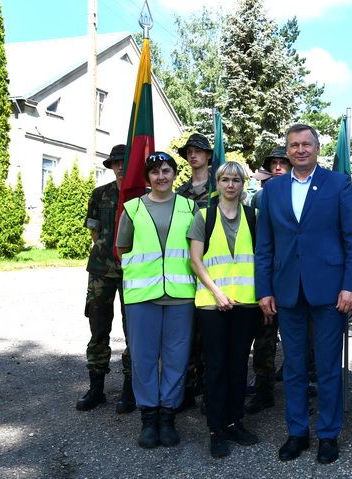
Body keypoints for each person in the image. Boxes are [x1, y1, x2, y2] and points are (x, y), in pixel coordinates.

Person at [255, 124, 352, 464]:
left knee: (329, 367)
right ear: (287, 151)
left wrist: (351, 286)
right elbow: (264, 247)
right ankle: (298, 432)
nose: (300, 150)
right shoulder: (272, 191)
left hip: (330, 291)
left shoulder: (337, 183)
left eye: (306, 144)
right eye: (293, 145)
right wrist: (264, 290)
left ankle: (329, 434)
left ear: (318, 148)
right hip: (287, 290)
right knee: (294, 367)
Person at [116, 152, 197, 449]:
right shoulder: (133, 208)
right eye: (155, 172)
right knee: (144, 359)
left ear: (175, 173)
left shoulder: (190, 207)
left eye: (166, 170)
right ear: (147, 177)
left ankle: (168, 417)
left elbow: (197, 250)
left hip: (180, 296)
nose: (161, 176)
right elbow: (122, 248)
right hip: (142, 297)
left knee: (176, 360)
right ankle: (149, 418)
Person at [188, 161, 263, 458]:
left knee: (238, 365)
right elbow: (196, 260)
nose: (230, 184)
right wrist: (217, 292)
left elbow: (260, 258)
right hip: (212, 304)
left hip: (246, 304)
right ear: (217, 184)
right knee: (216, 367)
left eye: (236, 180)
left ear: (243, 184)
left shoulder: (253, 216)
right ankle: (216, 429)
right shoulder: (203, 217)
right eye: (225, 179)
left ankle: (235, 422)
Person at [76, 144, 134, 414]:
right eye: (115, 163)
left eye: (124, 161)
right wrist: (107, 254)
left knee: (133, 330)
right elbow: (94, 230)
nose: (120, 166)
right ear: (110, 166)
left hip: (133, 271)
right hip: (101, 271)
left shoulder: (140, 195)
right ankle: (96, 388)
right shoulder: (99, 195)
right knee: (98, 329)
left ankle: (129, 389)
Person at [245, 146, 292, 415]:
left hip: (291, 277)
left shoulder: (301, 194)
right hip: (265, 274)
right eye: (274, 163)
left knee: (296, 337)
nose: (277, 167)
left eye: (282, 163)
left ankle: (301, 383)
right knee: (264, 337)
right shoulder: (259, 198)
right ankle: (263, 389)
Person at [176, 133, 213, 410]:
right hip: (189, 268)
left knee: (209, 333)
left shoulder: (221, 186)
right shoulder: (181, 193)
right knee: (189, 332)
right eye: (189, 151)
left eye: (198, 150)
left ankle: (209, 388)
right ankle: (188, 388)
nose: (193, 155)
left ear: (209, 155)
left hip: (216, 267)